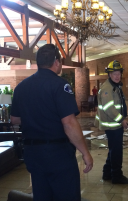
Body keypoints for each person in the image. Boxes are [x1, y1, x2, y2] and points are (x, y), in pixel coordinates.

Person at [10, 44, 93, 201]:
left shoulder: (21, 87)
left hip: (33, 154)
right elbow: (69, 124)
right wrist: (85, 153)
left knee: (42, 196)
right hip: (57, 154)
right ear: (56, 62)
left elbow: (14, 119)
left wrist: (35, 117)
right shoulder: (60, 85)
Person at [94, 60, 128, 184]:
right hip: (112, 125)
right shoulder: (107, 88)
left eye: (119, 73)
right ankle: (116, 176)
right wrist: (121, 120)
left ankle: (107, 173)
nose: (117, 76)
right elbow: (109, 108)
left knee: (113, 149)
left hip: (115, 124)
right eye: (114, 73)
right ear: (109, 74)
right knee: (116, 151)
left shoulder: (115, 86)